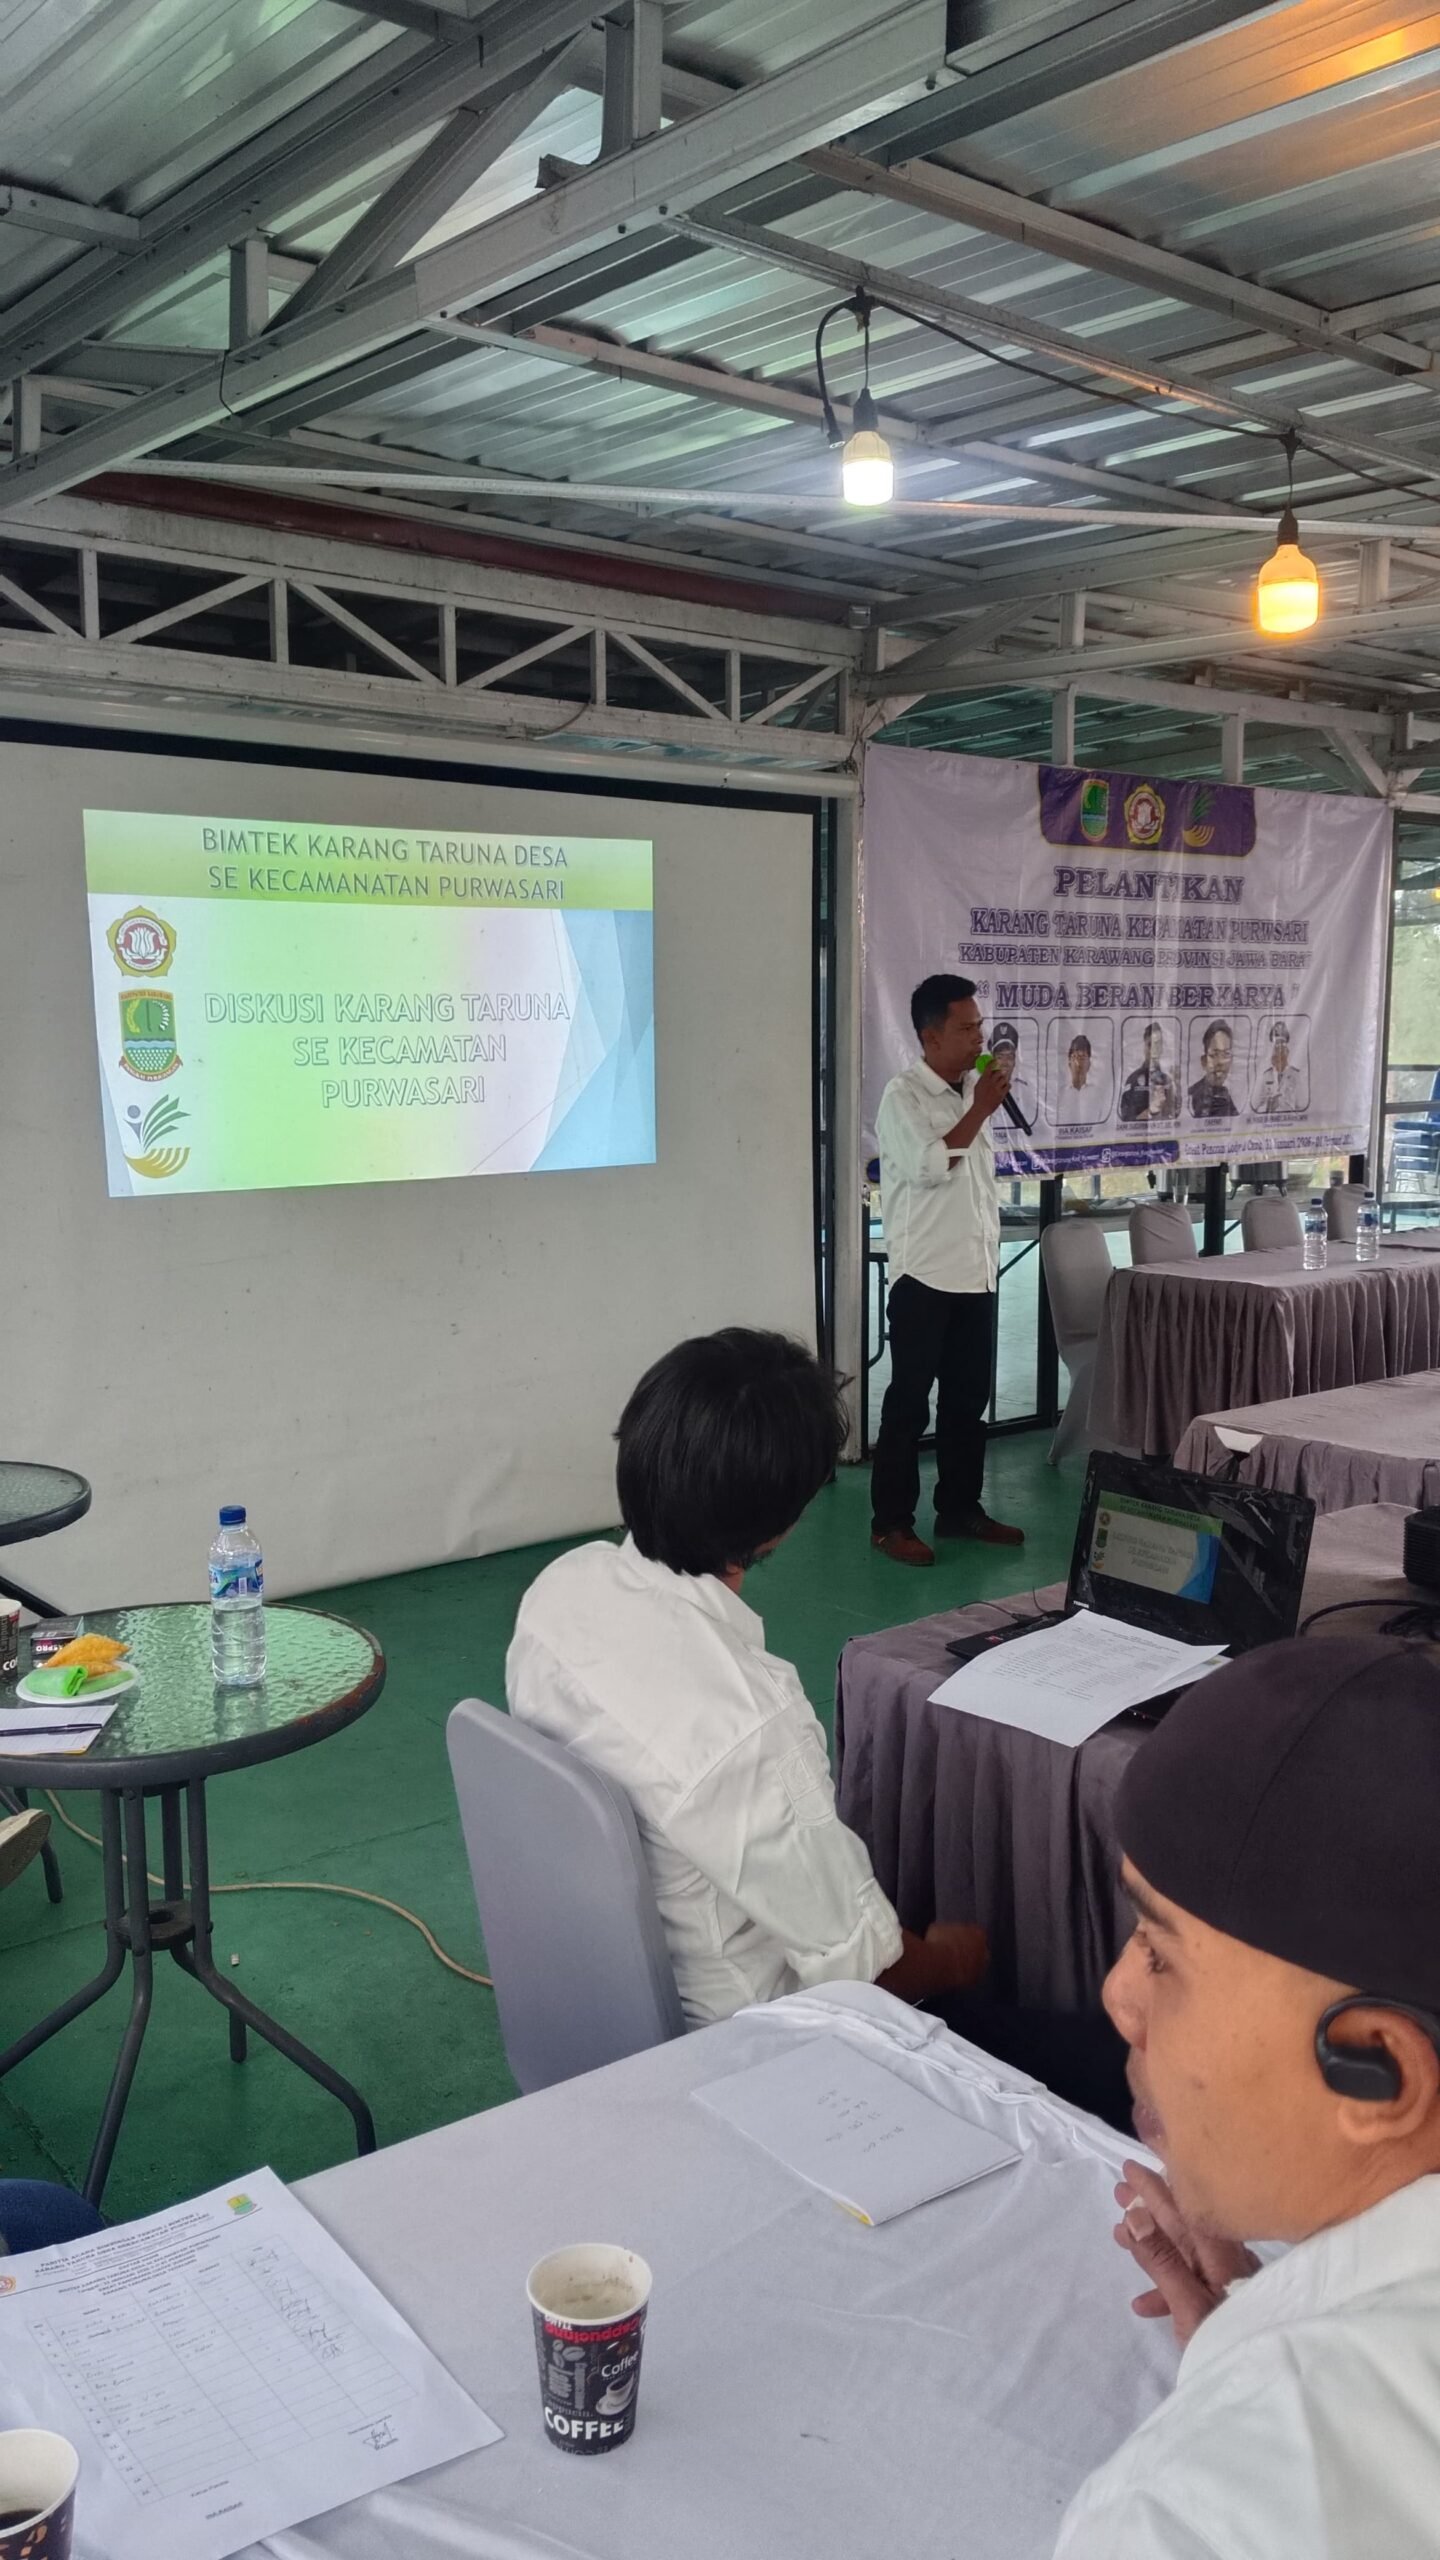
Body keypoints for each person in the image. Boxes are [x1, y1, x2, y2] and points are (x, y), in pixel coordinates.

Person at [509, 1330, 1128, 2125]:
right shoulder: (749, 1722)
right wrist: (953, 1956)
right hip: (751, 2054)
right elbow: (866, 1972)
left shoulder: (561, 1590)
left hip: (603, 2008)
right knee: (1102, 2060)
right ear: (782, 1522)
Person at [1055, 1636, 1440, 2558]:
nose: (1119, 1997)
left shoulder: (1188, 2514)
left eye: (1160, 1953)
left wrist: (1277, 2392)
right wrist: (1271, 2332)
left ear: (1379, 2071)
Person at [869, 975, 1023, 1570]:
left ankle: (959, 1508)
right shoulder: (903, 1097)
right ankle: (891, 1523)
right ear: (930, 1037)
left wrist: (979, 1104)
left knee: (967, 1401)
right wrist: (980, 1110)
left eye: (980, 1026)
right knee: (910, 1404)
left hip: (975, 1273)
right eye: (965, 1029)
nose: (979, 1038)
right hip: (924, 1276)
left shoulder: (972, 1092)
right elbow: (932, 1166)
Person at [1119, 1022, 1179, 1123]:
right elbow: (1126, 1118)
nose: (1154, 1050)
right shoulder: (1133, 1080)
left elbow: (1176, 1115)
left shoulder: (1168, 1081)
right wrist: (1150, 1111)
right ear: (1144, 1047)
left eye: (1158, 1044)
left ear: (1162, 1048)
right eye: (1150, 1044)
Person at [1253, 1018, 1305, 1117]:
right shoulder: (1266, 1076)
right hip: (1268, 1124)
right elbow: (1255, 1108)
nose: (1279, 1051)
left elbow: (1303, 1109)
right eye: (1276, 1047)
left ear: (1287, 1050)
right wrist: (1268, 1107)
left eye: (1282, 1047)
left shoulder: (1296, 1076)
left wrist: (1283, 1105)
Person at [989, 1022, 1037, 1130]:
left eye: (1009, 1057)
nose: (1005, 1063)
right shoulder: (981, 1089)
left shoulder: (1025, 1090)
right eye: (1000, 1057)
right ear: (992, 1059)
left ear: (1015, 1061)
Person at [1187, 1018, 1238, 1118]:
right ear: (1203, 1061)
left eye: (1226, 1054)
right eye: (1214, 1055)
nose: (1220, 1062)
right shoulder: (1193, 1096)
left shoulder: (1224, 1094)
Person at [1053, 1031, 1101, 1129]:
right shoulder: (1060, 1093)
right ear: (1069, 1063)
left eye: (1083, 1057)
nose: (1078, 1062)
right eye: (1075, 1057)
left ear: (1089, 1064)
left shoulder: (1097, 1094)